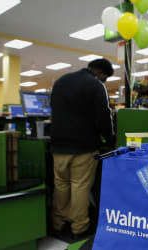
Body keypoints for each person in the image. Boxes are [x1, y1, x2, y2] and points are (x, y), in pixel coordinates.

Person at [50, 58, 115, 239]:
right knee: (80, 186)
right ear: (101, 73)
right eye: (105, 78)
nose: (104, 82)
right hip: (83, 147)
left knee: (61, 185)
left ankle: (58, 222)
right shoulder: (95, 85)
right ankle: (79, 226)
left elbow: (53, 109)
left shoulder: (61, 81)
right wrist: (111, 140)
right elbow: (104, 117)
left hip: (58, 146)